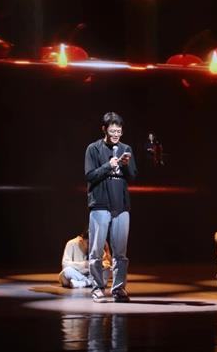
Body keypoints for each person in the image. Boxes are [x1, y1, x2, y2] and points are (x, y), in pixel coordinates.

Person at [85, 112, 137, 303]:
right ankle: (98, 288)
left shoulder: (126, 148)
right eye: (112, 131)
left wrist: (126, 165)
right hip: (100, 205)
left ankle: (119, 289)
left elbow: (132, 176)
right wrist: (108, 165)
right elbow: (90, 175)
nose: (116, 134)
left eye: (119, 131)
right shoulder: (93, 149)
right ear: (104, 129)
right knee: (96, 251)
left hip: (121, 207)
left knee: (120, 253)